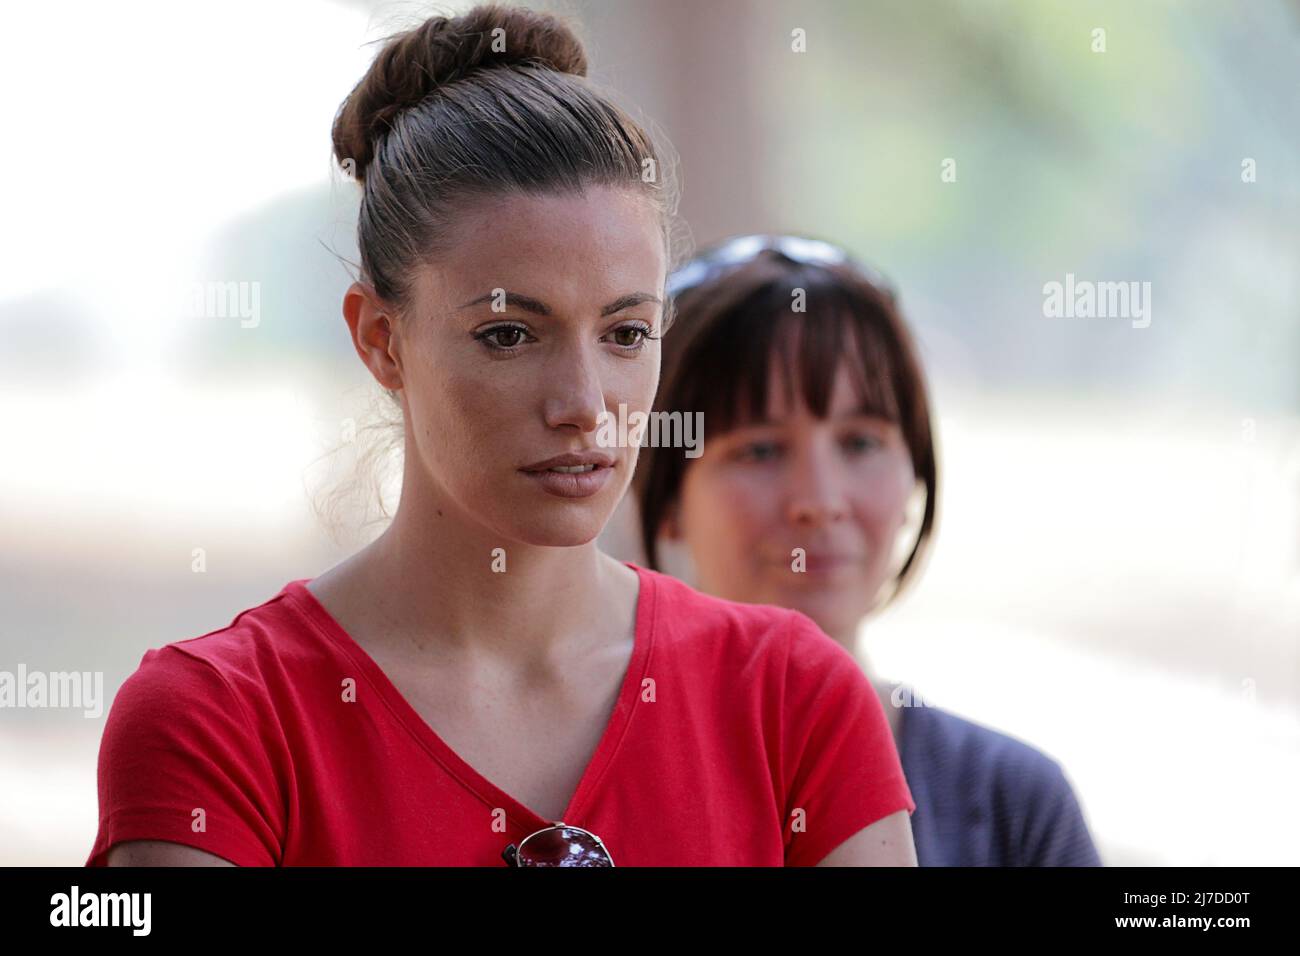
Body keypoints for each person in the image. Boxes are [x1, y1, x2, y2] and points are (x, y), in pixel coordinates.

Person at [86, 6, 915, 867]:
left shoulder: (795, 701)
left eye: (626, 334)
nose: (586, 405)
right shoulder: (222, 719)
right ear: (380, 339)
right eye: (510, 334)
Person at [634, 234, 1102, 866]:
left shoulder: (1011, 805)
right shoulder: (600, 782)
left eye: (859, 443)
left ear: (915, 472)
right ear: (666, 498)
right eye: (760, 449)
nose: (821, 500)